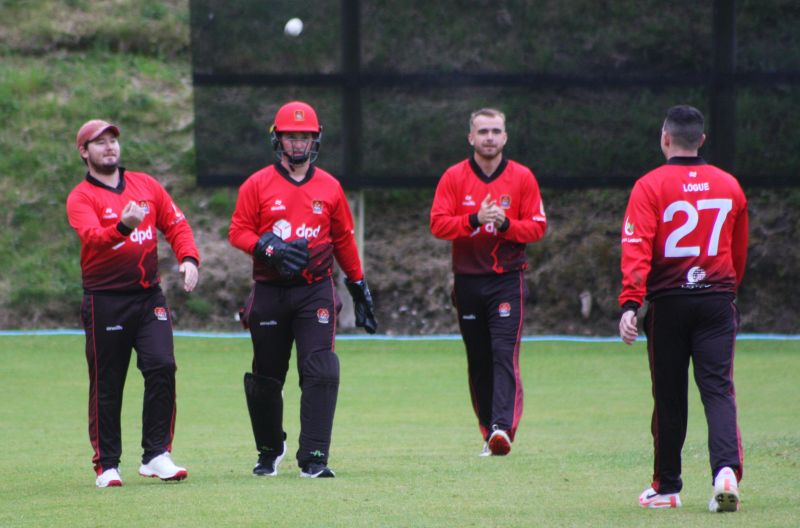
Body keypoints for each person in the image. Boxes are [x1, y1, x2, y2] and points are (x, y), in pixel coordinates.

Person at [229, 100, 377, 479]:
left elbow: (343, 239)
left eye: (305, 136)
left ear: (316, 140)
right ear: (277, 139)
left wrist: (358, 285)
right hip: (270, 290)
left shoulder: (329, 187)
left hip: (315, 290)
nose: (298, 143)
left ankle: (314, 457)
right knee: (266, 377)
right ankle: (269, 449)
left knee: (321, 369)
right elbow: (238, 231)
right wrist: (268, 248)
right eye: (291, 136)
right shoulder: (256, 184)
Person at [618, 105, 748, 512]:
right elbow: (738, 251)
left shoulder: (649, 186)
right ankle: (725, 473)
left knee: (669, 396)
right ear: (702, 140)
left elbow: (637, 247)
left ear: (665, 138)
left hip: (669, 304)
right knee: (718, 390)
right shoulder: (729, 185)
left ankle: (667, 488)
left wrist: (631, 303)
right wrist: (726, 291)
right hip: (716, 301)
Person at [66, 120, 200, 488]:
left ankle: (156, 454)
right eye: (99, 142)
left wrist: (189, 258)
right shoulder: (81, 197)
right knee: (108, 383)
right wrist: (123, 226)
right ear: (84, 152)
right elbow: (93, 238)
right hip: (105, 300)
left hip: (148, 297)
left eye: (113, 140)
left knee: (162, 366)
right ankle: (107, 465)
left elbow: (176, 224)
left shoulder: (145, 185)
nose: (109, 147)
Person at [430, 107, 547, 457]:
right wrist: (474, 219)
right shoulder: (453, 177)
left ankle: (502, 428)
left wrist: (507, 224)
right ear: (471, 137)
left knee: (503, 354)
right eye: (483, 132)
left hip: (507, 280)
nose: (490, 138)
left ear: (505, 137)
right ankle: (488, 432)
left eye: (496, 131)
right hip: (467, 281)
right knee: (479, 359)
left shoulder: (522, 177)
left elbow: (538, 227)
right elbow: (438, 224)